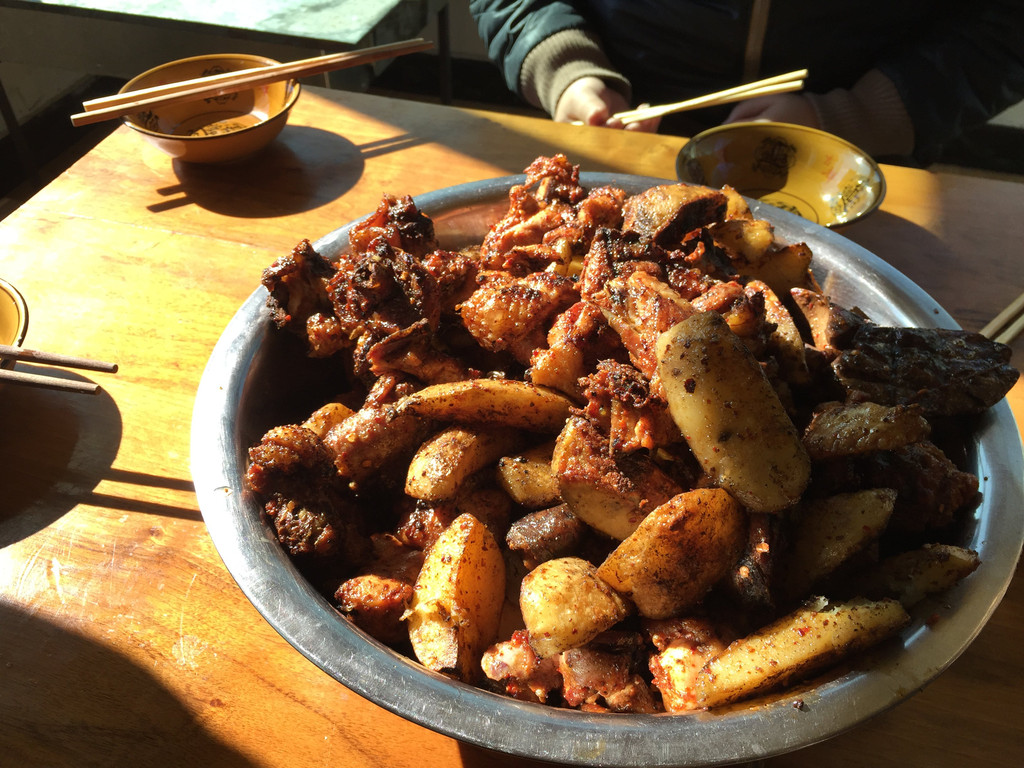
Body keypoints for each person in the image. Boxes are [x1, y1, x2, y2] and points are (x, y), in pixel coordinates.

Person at [469, 0, 1024, 164]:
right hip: (630, 140)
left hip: (850, 165)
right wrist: (565, 71)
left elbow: (1005, 29)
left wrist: (853, 115)